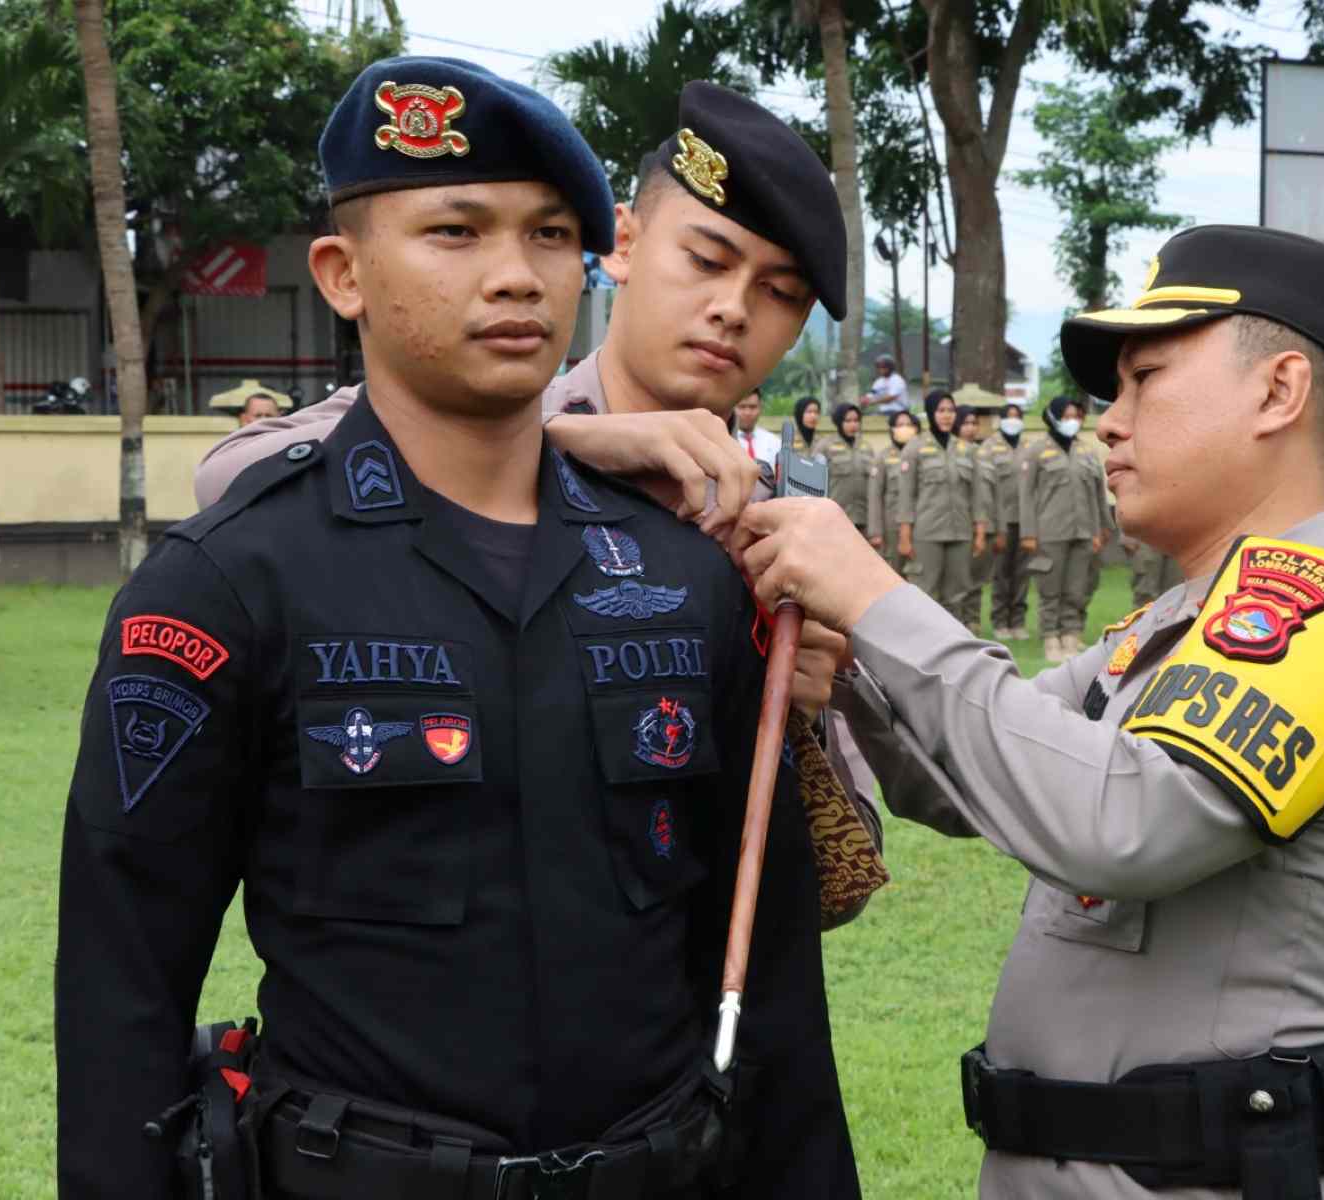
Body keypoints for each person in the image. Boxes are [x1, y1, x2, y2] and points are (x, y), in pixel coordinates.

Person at [55, 59, 860, 1200]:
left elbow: (769, 978)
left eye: (545, 238)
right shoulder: (230, 586)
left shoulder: (687, 577)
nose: (515, 276)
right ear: (342, 274)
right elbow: (120, 991)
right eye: (455, 231)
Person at [734, 224, 1324, 1199]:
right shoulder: (1181, 617)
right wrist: (858, 664)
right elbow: (958, 777)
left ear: (1279, 391)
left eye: (1145, 378)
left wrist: (874, 598)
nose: (1108, 421)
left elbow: (1116, 822)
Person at [191, 82, 887, 907]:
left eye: (780, 294)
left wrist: (811, 697)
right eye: (705, 260)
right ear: (622, 241)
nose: (731, 311)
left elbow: (844, 871)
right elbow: (235, 471)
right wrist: (562, 439)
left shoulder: (779, 518)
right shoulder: (477, 396)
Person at [1020, 394, 1112, 663]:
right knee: (1051, 589)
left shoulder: (1086, 451)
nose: (1072, 421)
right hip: (1050, 533)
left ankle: (1071, 637)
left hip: (1084, 531)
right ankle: (1051, 639)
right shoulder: (1037, 451)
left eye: (1077, 416)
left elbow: (1098, 494)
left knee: (1076, 588)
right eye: (1067, 416)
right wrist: (1028, 532)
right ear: (1054, 416)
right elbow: (1026, 495)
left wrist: (1102, 527)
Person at [896, 388, 985, 621]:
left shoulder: (967, 450)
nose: (947, 415)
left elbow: (977, 494)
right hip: (927, 533)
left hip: (961, 532)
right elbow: (906, 495)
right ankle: (919, 646)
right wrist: (905, 535)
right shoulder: (914, 448)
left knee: (957, 593)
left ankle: (952, 647)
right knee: (922, 592)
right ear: (930, 413)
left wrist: (980, 530)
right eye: (941, 410)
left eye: (951, 410)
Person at [980, 402, 1029, 640]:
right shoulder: (989, 447)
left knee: (1022, 573)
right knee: (1001, 574)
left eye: (1017, 416)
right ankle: (1000, 622)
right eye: (1008, 416)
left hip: (1025, 520)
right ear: (1000, 420)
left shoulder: (1028, 447)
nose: (1013, 420)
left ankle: (1018, 622)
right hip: (1001, 520)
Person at [953, 403, 991, 629]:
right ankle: (958, 622)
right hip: (958, 524)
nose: (971, 428)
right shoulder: (952, 452)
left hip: (983, 523)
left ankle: (972, 620)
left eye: (974, 423)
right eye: (966, 423)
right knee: (957, 579)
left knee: (976, 578)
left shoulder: (982, 452)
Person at [866, 410, 916, 572]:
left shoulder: (920, 454)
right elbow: (875, 496)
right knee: (894, 572)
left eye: (909, 424)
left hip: (920, 524)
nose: (905, 428)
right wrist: (875, 532)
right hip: (892, 526)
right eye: (900, 425)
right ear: (892, 429)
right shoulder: (883, 458)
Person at [821, 402, 872, 533]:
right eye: (848, 421)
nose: (853, 425)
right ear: (839, 422)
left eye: (856, 420)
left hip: (863, 517)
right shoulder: (825, 446)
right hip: (835, 517)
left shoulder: (866, 447)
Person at [1124, 537, 1184, 608]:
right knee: (1145, 592)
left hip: (1181, 538)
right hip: (1146, 538)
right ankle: (1143, 618)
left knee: (1176, 591)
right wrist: (1127, 536)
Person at [209, 378, 292, 428]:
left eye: (268, 415)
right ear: (244, 419)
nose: (263, 420)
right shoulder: (233, 446)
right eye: (258, 415)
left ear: (278, 417)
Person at [732, 386, 781, 467]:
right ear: (732, 408)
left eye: (752, 407)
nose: (747, 413)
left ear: (761, 408)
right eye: (742, 407)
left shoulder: (775, 442)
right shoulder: (724, 440)